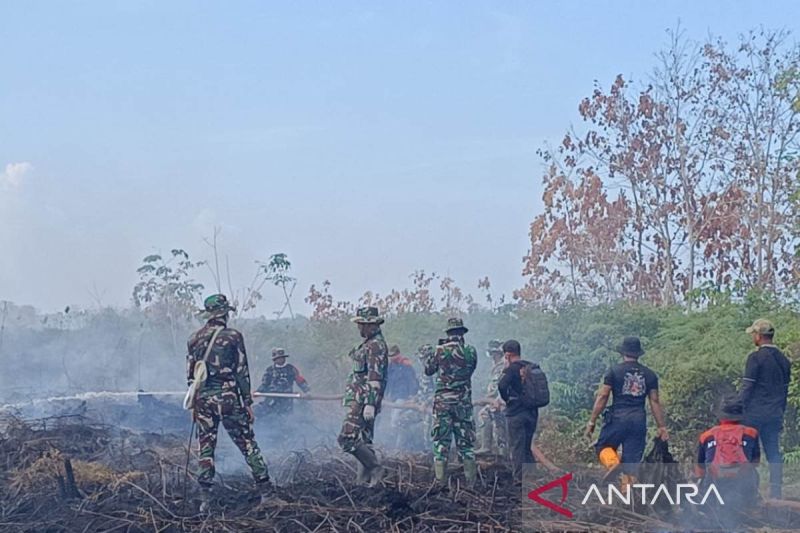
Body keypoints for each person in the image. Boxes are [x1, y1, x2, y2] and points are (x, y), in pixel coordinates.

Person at [186, 294, 275, 511]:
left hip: (204, 399)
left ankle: (205, 499)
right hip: (228, 398)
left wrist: (194, 404)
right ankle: (267, 493)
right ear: (225, 313)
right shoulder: (233, 336)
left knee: (206, 446)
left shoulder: (194, 339)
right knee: (247, 443)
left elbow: (191, 376)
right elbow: (241, 372)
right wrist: (247, 403)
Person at [585, 336, 669, 489]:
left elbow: (603, 396)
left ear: (623, 353)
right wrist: (661, 427)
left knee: (603, 446)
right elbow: (654, 401)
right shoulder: (649, 374)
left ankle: (613, 463)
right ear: (638, 354)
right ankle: (627, 498)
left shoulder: (614, 371)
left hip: (617, 418)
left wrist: (592, 420)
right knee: (631, 463)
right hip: (638, 421)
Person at [739, 318, 791, 499]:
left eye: (753, 334)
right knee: (773, 452)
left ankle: (747, 491)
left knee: (748, 454)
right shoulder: (784, 361)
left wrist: (737, 408)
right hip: (774, 414)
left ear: (759, 336)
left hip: (754, 414)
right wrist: (781, 413)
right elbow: (784, 392)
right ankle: (776, 491)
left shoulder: (755, 358)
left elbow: (747, 387)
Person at [338, 306, 389, 486]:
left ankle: (375, 468)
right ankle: (363, 480)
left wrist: (370, 403)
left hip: (363, 400)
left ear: (370, 325)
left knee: (346, 438)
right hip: (362, 398)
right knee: (365, 440)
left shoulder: (375, 346)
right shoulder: (369, 343)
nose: (359, 328)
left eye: (361, 324)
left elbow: (375, 377)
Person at [423, 318, 478, 486]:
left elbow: (428, 370)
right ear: (462, 333)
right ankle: (471, 483)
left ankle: (440, 483)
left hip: (443, 404)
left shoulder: (439, 351)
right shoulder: (470, 351)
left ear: (448, 333)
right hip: (463, 403)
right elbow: (470, 369)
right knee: (466, 444)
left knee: (441, 442)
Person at [695, 395, 760, 526]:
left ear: (721, 415)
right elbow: (756, 462)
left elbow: (700, 470)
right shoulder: (751, 433)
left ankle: (709, 510)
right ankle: (749, 505)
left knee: (703, 479)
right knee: (754, 473)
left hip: (715, 483)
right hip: (741, 483)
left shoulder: (706, 436)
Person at [497, 340, 539, 480]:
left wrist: (507, 399)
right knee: (527, 445)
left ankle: (518, 480)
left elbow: (502, 385)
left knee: (516, 447)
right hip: (532, 413)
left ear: (508, 355)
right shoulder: (532, 367)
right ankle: (532, 477)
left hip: (516, 414)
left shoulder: (510, 369)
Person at [476, 339, 508, 456]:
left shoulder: (501, 367)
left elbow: (496, 389)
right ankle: (499, 452)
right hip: (498, 401)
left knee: (486, 415)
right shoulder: (498, 366)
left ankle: (490, 448)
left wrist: (485, 400)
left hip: (501, 401)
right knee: (498, 424)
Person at [256, 348, 311, 416]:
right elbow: (265, 384)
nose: (280, 359)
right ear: (274, 359)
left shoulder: (291, 369)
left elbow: (299, 380)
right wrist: (258, 392)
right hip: (272, 398)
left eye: (282, 358)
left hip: (286, 399)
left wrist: (307, 391)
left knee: (285, 418)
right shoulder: (270, 370)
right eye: (278, 358)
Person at [384, 345, 419, 449]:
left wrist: (412, 396)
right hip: (394, 396)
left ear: (398, 354)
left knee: (395, 420)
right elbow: (388, 381)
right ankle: (398, 443)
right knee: (394, 419)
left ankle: (397, 444)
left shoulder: (406, 365)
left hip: (403, 396)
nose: (391, 358)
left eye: (393, 355)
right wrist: (386, 394)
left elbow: (412, 381)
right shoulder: (391, 366)